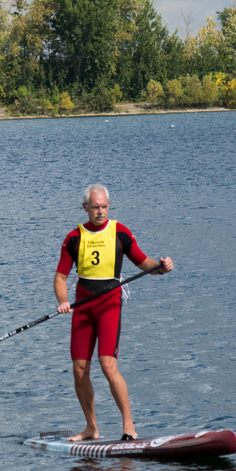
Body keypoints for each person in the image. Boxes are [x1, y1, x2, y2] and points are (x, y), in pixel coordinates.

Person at [54, 183, 173, 442]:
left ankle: (129, 426)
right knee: (79, 370)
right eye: (95, 207)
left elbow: (145, 264)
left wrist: (161, 267)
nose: (101, 211)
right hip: (83, 309)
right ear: (85, 208)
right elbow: (61, 277)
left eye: (104, 206)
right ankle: (91, 428)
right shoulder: (73, 238)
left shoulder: (119, 232)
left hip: (109, 305)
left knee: (108, 366)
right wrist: (63, 301)